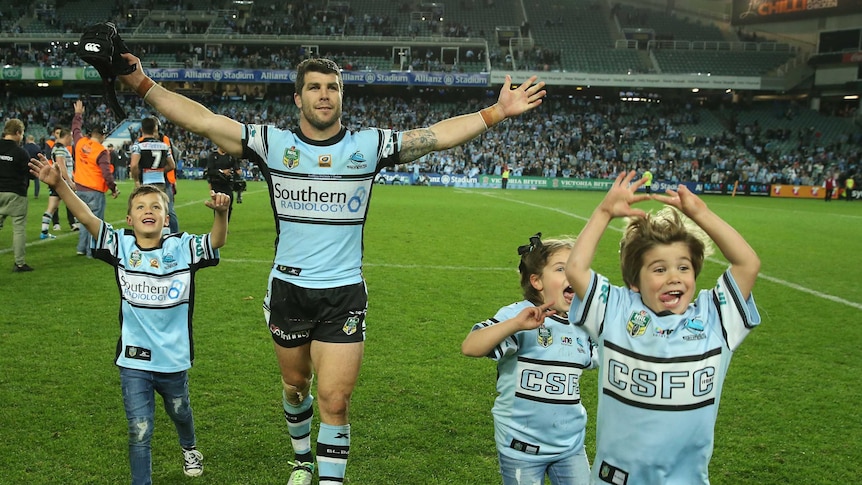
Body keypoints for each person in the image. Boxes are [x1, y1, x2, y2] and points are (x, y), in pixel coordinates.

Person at [119, 52, 545, 484]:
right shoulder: (273, 144)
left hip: (343, 294)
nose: (324, 95)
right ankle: (302, 458)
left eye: (333, 87)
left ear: (342, 95)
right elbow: (202, 120)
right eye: (315, 87)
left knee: (335, 400)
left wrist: (496, 112)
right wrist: (139, 81)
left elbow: (435, 136)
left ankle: (328, 479)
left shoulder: (367, 147)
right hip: (288, 290)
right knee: (296, 386)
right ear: (298, 97)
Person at [30, 153, 231, 485]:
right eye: (140, 207)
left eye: (155, 207)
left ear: (167, 219)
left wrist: (222, 214)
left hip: (173, 357)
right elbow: (86, 215)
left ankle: (189, 446)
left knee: (180, 410)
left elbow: (217, 241)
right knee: (139, 430)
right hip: (134, 360)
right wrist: (59, 185)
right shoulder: (120, 246)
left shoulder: (182, 247)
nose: (148, 211)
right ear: (129, 219)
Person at [565, 170, 761, 484]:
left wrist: (701, 214)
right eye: (659, 268)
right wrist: (603, 212)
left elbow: (747, 264)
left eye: (683, 267)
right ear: (633, 282)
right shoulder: (616, 311)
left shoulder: (715, 318)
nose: (674, 276)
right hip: (617, 478)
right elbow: (576, 269)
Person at [462, 233, 596, 485]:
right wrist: (515, 325)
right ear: (536, 281)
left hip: (570, 446)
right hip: (521, 448)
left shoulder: (584, 323)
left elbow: (608, 354)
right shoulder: (518, 316)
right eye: (561, 269)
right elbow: (471, 346)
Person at [72, 100, 120, 256]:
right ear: (102, 135)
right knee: (94, 222)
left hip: (79, 188)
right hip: (95, 190)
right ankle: (91, 251)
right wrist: (113, 188)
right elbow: (106, 173)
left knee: (83, 220)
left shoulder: (80, 142)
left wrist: (78, 114)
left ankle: (81, 248)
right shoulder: (101, 150)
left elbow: (75, 129)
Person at [0, 119, 33, 272]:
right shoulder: (21, 152)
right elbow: (30, 174)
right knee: (18, 229)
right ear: (18, 133)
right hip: (16, 193)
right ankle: (19, 263)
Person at [38, 128, 75, 240]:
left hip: (58, 180)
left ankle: (44, 231)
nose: (72, 140)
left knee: (52, 207)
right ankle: (78, 226)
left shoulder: (60, 148)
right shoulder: (59, 148)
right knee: (74, 203)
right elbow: (61, 166)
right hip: (62, 182)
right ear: (67, 136)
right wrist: (69, 181)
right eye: (71, 137)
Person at [206, 145, 240, 221]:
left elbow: (236, 169)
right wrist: (221, 171)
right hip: (216, 184)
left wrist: (236, 172)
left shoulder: (230, 156)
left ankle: (226, 225)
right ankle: (218, 224)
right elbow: (209, 171)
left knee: (229, 205)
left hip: (228, 185)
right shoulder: (213, 156)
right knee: (218, 205)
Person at [23, 134, 42, 199]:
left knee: (26, 180)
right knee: (36, 180)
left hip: (27, 165)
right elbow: (40, 157)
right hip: (35, 165)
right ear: (33, 139)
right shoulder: (37, 147)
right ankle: (36, 195)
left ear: (27, 139)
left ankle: (25, 193)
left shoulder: (25, 147)